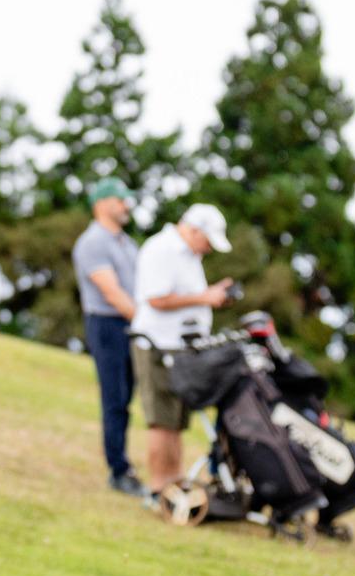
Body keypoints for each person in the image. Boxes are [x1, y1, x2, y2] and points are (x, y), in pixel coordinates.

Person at [130, 203, 238, 487]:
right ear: (193, 230)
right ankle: (160, 486)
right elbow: (156, 298)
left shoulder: (190, 256)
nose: (209, 249)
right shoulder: (161, 249)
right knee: (162, 420)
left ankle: (175, 482)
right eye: (208, 241)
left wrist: (211, 295)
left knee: (176, 422)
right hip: (158, 345)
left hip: (181, 350)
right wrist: (205, 298)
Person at [71, 177, 146, 497]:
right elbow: (112, 293)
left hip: (132, 325)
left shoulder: (127, 243)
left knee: (126, 397)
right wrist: (147, 322)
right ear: (101, 204)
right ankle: (119, 470)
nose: (126, 205)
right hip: (108, 325)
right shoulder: (93, 242)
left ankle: (122, 463)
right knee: (114, 399)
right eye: (119, 200)